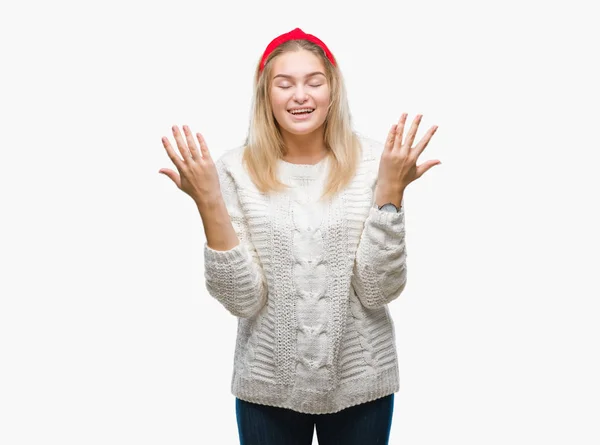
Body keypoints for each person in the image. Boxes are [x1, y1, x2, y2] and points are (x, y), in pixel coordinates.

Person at [159, 27, 440, 445]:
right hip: (266, 387)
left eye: (314, 81)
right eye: (284, 83)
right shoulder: (234, 169)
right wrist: (208, 202)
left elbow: (379, 290)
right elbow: (243, 300)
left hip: (362, 384)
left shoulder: (376, 163)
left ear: (332, 89)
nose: (300, 95)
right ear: (266, 95)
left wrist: (391, 194)